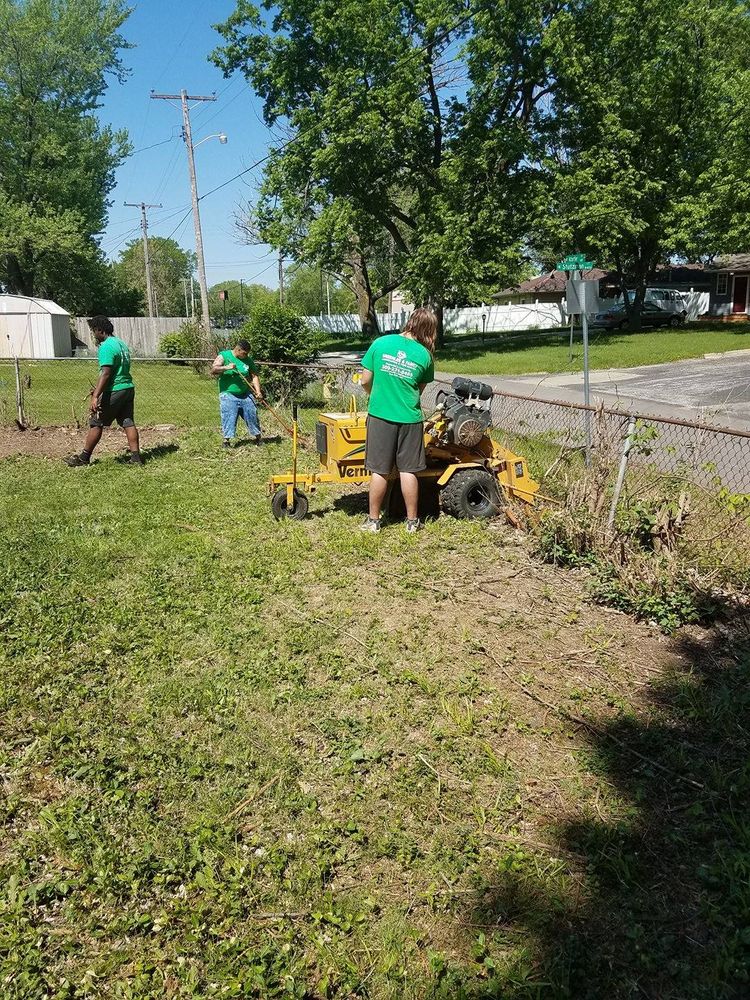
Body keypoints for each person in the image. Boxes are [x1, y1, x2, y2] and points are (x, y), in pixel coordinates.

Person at [359, 308, 436, 533]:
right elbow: (418, 389)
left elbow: (365, 380)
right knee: (409, 470)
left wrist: (379, 395)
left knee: (379, 470)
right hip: (410, 419)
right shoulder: (425, 355)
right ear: (429, 330)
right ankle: (412, 522)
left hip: (381, 416)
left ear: (410, 322)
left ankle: (374, 522)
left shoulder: (381, 343)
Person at [65, 316, 142, 467]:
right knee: (128, 421)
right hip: (127, 387)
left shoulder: (106, 346)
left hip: (115, 390)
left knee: (96, 422)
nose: (94, 334)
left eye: (94, 330)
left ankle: (83, 458)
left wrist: (96, 396)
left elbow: (106, 372)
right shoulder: (121, 344)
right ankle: (136, 458)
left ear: (100, 330)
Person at [211, 339, 263, 448]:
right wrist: (226, 367)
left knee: (252, 414)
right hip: (228, 393)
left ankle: (258, 438)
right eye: (244, 353)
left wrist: (258, 392)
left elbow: (254, 375)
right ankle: (226, 441)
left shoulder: (248, 360)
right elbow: (214, 369)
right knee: (229, 416)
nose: (246, 355)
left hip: (245, 393)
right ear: (238, 349)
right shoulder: (224, 355)